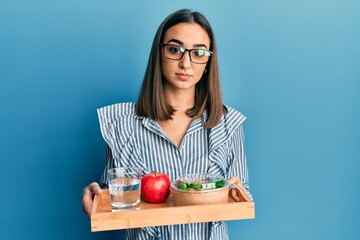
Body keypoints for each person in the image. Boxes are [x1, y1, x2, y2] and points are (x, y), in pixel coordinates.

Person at [82, 8, 252, 240]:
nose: (185, 63)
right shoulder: (121, 124)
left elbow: (244, 196)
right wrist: (93, 194)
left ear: (208, 61)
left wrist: (236, 192)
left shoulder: (228, 124)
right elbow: (113, 193)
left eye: (198, 53)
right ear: (158, 53)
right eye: (175, 49)